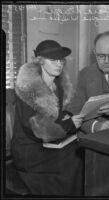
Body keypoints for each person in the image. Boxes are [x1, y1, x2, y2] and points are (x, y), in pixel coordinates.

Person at [11, 40, 84, 195]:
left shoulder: (57, 83)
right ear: (40, 61)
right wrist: (70, 125)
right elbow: (36, 129)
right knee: (73, 159)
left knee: (81, 150)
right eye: (53, 60)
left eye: (61, 60)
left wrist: (69, 116)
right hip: (28, 150)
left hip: (46, 143)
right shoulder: (28, 87)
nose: (59, 64)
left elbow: (55, 113)